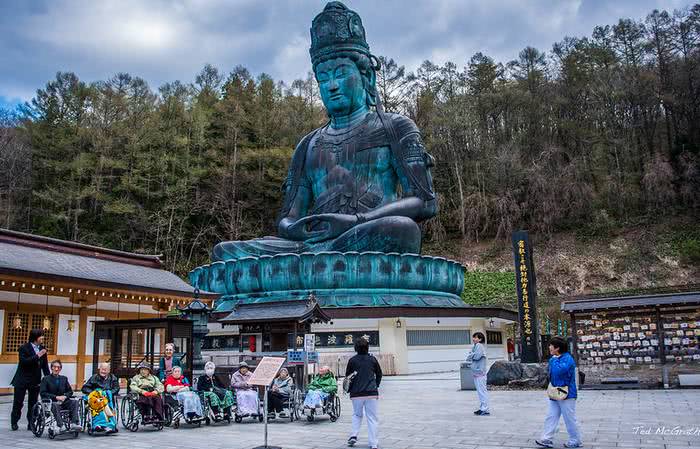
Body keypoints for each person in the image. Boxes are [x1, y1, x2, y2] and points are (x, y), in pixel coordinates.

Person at [536, 336, 582, 448]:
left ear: (557, 348)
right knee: (551, 416)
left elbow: (558, 372)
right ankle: (546, 439)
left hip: (567, 393)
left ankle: (575, 440)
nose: (549, 347)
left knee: (569, 418)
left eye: (551, 345)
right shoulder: (554, 359)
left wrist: (554, 360)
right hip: (555, 392)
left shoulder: (567, 359)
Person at [346, 337, 382, 449]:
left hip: (356, 393)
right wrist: (376, 385)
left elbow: (348, 376)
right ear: (367, 347)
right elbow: (379, 374)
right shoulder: (372, 359)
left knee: (357, 415)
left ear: (355, 348)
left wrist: (350, 389)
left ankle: (353, 435)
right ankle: (373, 443)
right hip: (371, 392)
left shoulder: (352, 360)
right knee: (372, 418)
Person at [10, 328, 50, 431]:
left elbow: (45, 366)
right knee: (18, 402)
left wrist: (48, 378)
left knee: (33, 403)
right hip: (22, 379)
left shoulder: (42, 349)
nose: (43, 338)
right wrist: (38, 355)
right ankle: (14, 421)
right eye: (41, 336)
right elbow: (24, 362)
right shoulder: (24, 348)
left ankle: (31, 423)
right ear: (35, 337)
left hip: (35, 380)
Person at [40, 359, 81, 432]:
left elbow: (70, 391)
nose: (56, 369)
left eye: (58, 367)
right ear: (51, 368)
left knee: (75, 402)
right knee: (55, 404)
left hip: (64, 401)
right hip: (52, 402)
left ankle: (74, 423)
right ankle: (61, 425)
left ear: (60, 369)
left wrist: (65, 396)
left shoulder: (64, 378)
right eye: (54, 367)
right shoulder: (46, 379)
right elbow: (43, 393)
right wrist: (56, 397)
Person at [81, 362, 120, 433]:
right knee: (99, 403)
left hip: (107, 399)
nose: (103, 371)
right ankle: (98, 425)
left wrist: (107, 393)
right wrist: (95, 393)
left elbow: (116, 389)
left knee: (105, 404)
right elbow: (85, 388)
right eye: (102, 369)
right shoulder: (94, 377)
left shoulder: (113, 378)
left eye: (105, 370)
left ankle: (108, 425)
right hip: (95, 399)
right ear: (99, 369)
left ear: (109, 370)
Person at [466, 332, 489, 416]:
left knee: (482, 391)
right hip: (477, 372)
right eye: (473, 337)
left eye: (476, 337)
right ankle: (483, 408)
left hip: (480, 372)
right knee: (481, 391)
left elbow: (476, 356)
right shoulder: (476, 346)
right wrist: (472, 354)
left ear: (480, 339)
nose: (474, 339)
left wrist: (471, 354)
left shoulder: (479, 346)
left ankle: (484, 409)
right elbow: (470, 356)